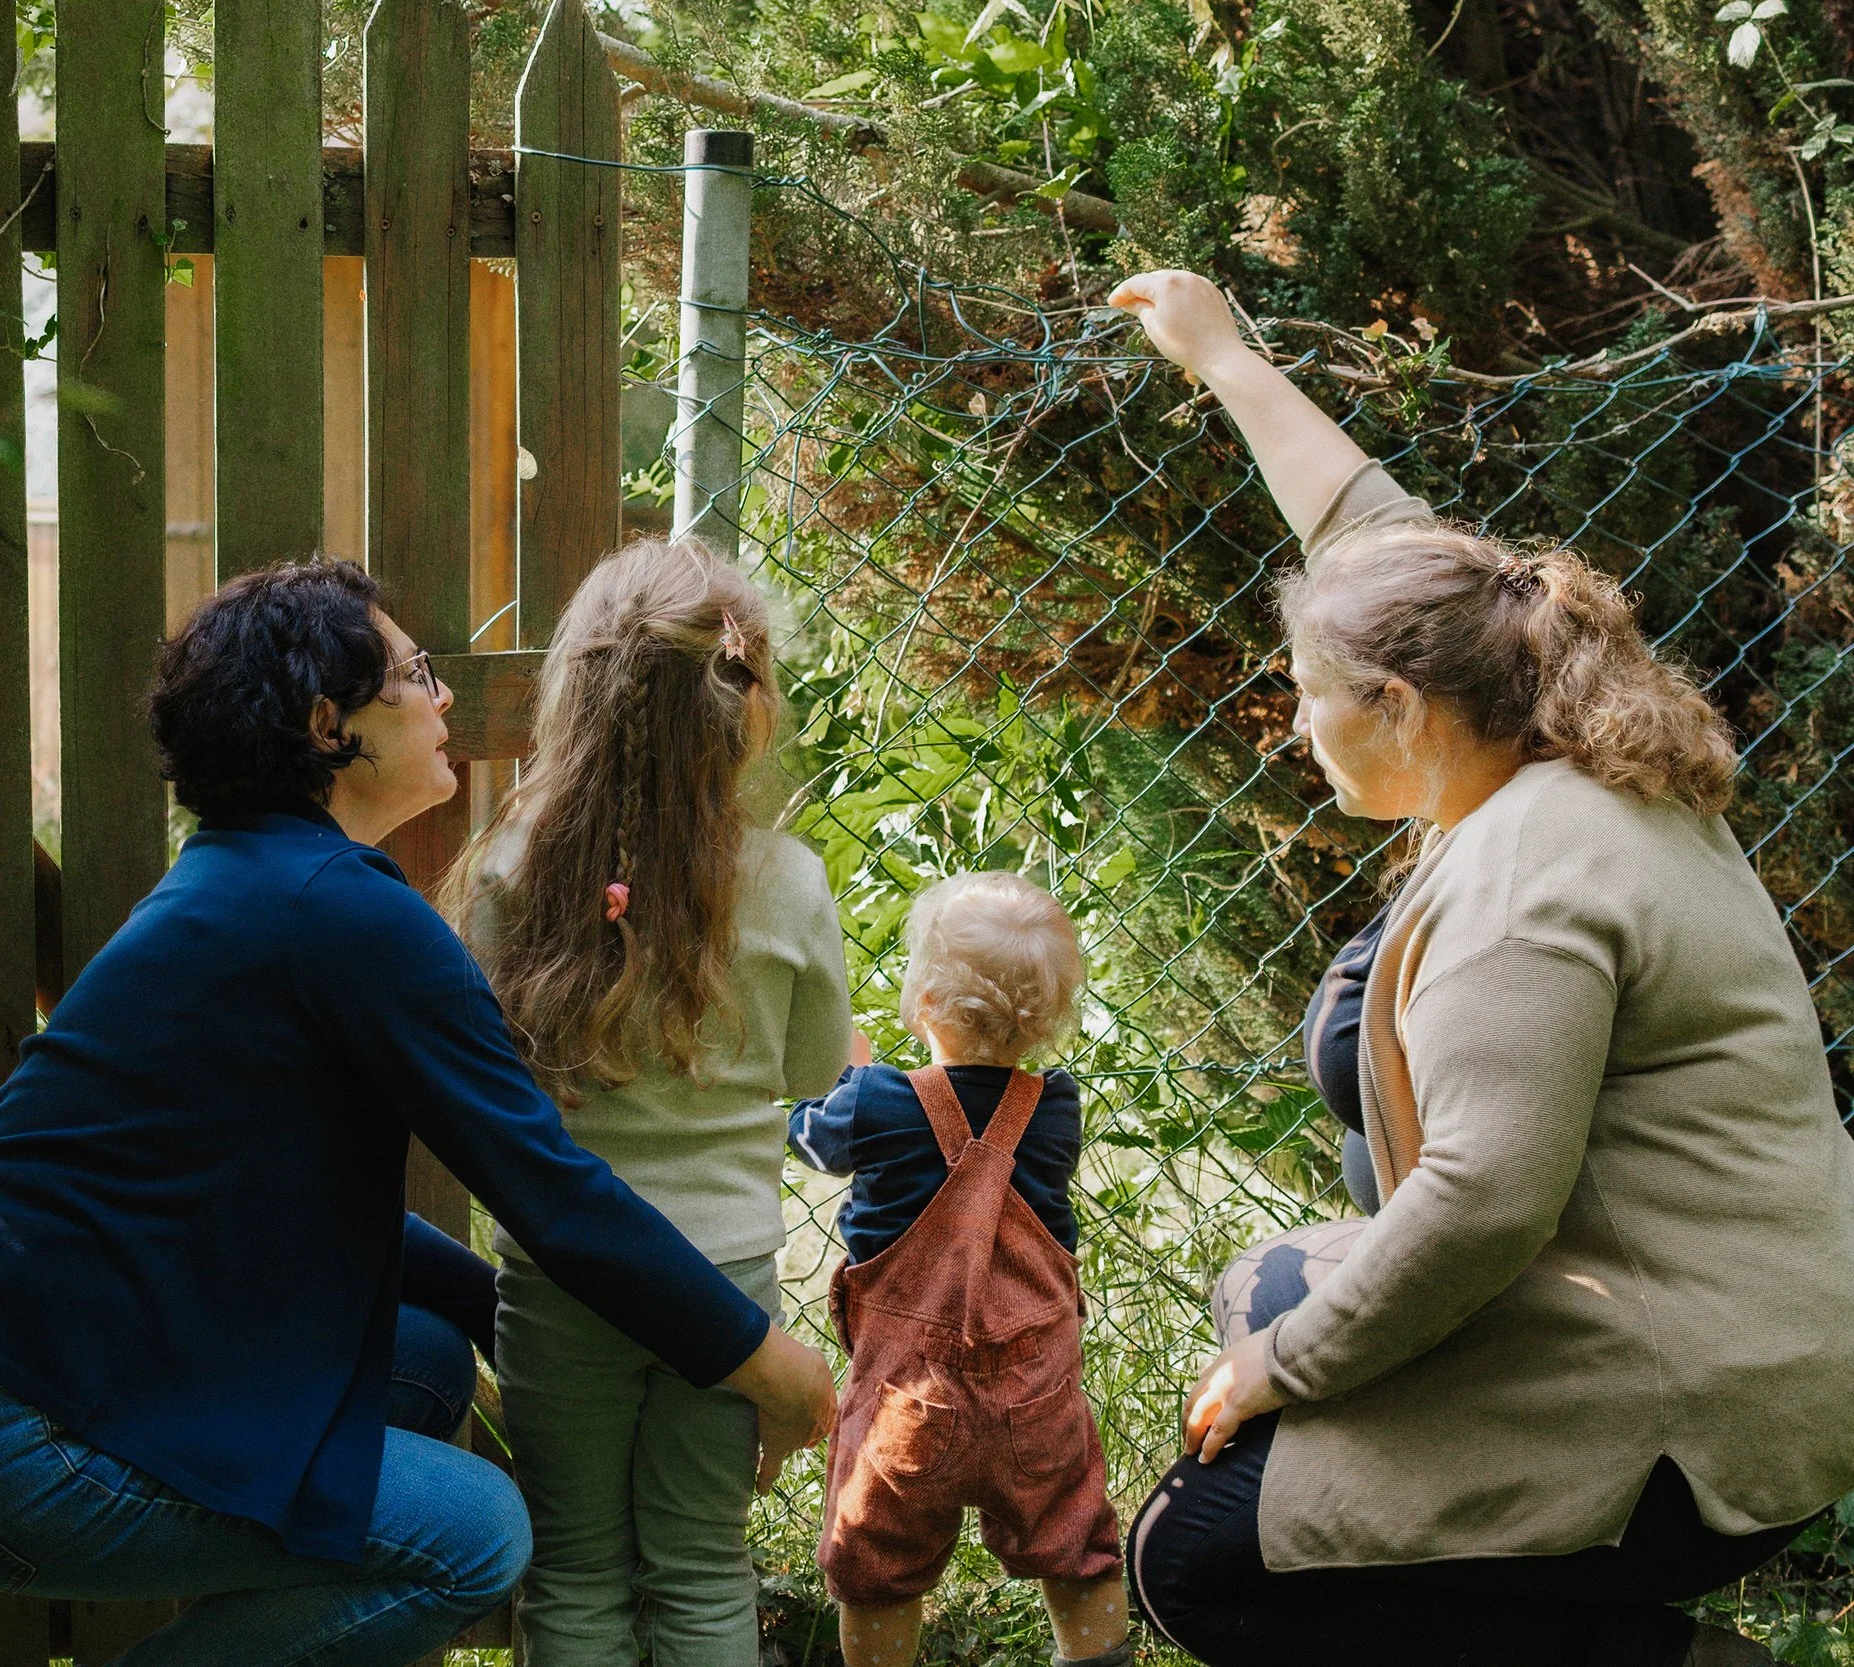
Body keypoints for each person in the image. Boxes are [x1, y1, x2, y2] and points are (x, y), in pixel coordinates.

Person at [0, 559, 838, 1667]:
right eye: (414, 674)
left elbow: (294, 1203)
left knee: (418, 1361)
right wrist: (766, 1363)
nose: (445, 694)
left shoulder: (264, 882)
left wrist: (506, 1309)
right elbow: (551, 1192)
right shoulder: (342, 915)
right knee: (473, 1537)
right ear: (329, 723)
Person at [1106, 268, 1854, 1667]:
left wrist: (1290, 1367)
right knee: (1258, 1281)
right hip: (1729, 1310)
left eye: (1307, 699)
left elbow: (1485, 1199)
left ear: (1397, 704)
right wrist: (1221, 355)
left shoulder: (1526, 873)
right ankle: (1553, 1594)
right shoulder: (1533, 719)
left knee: (1193, 1555)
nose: (1291, 729)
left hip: (1698, 1392)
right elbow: (1373, 533)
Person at [440, 538, 854, 1667]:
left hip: (559, 1274)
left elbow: (486, 1072)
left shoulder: (511, 870)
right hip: (723, 1284)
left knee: (571, 1565)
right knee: (699, 1564)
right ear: (746, 707)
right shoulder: (789, 882)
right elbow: (819, 1073)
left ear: (574, 693)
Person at [789, 873, 1131, 1667]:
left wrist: (836, 1075)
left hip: (907, 1406)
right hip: (1039, 1400)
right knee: (1076, 1542)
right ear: (1047, 1021)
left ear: (923, 1001)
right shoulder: (1056, 1108)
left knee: (877, 1567)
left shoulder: (875, 1102)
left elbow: (808, 1138)